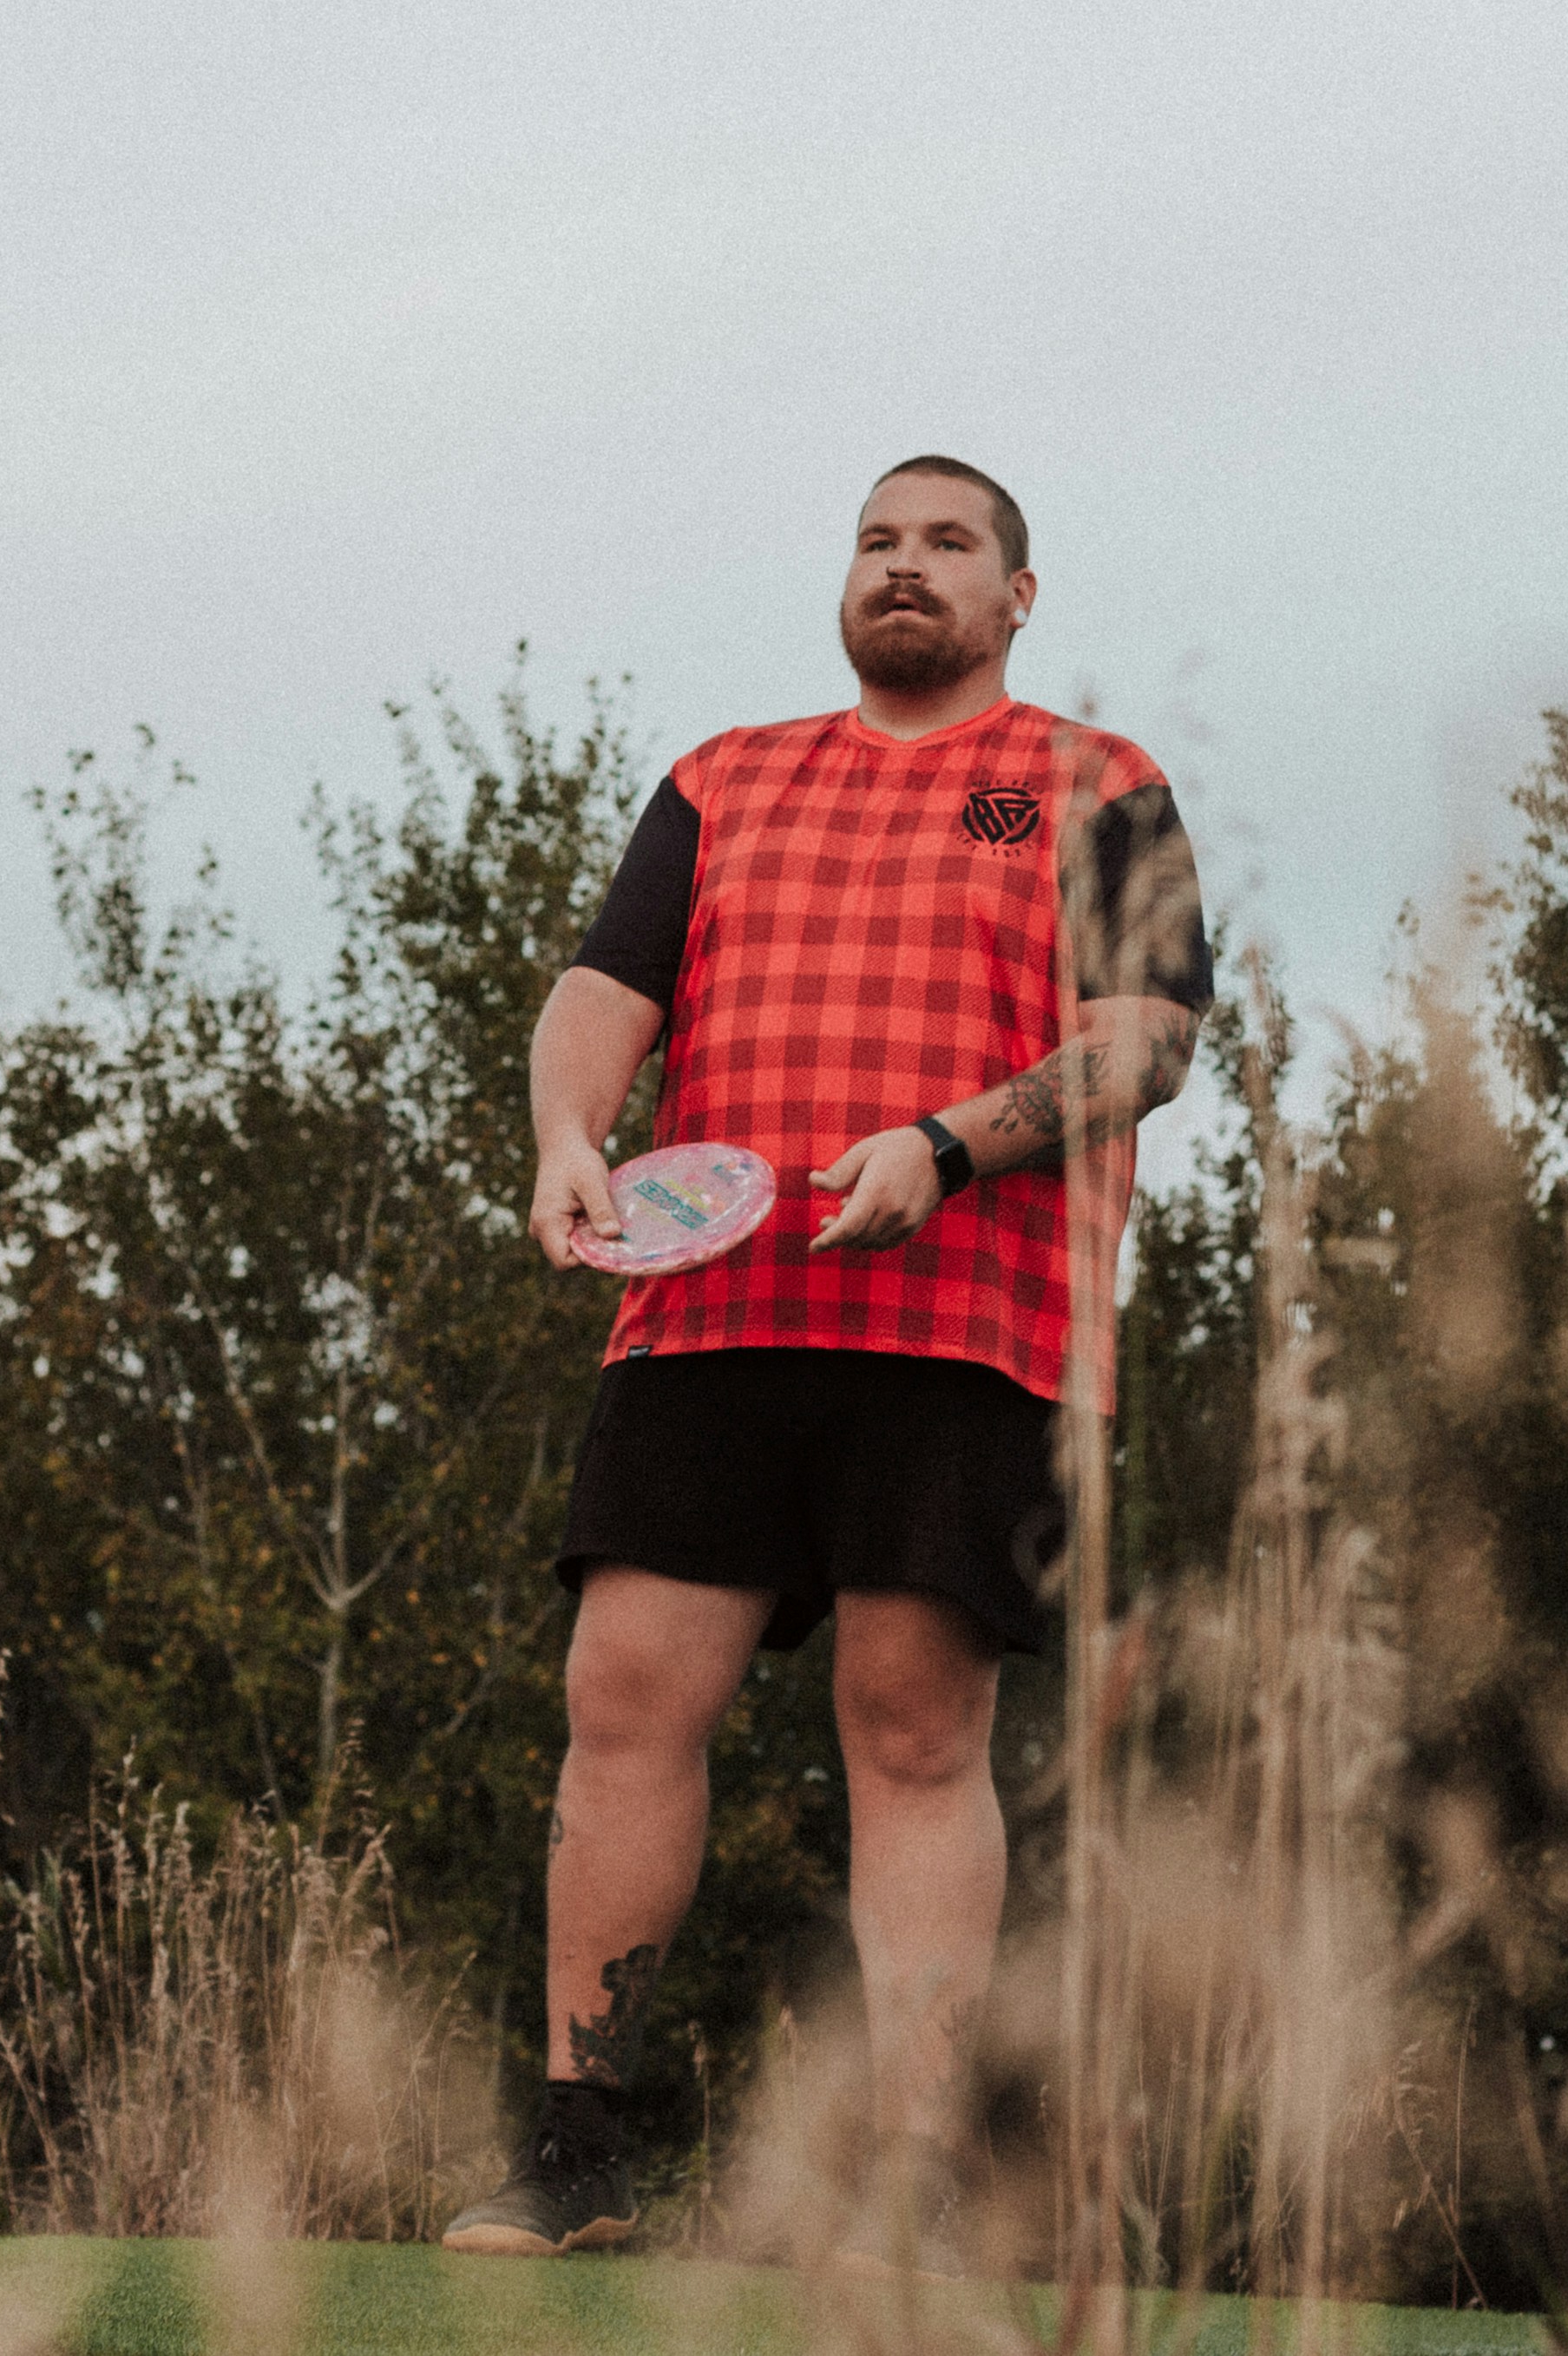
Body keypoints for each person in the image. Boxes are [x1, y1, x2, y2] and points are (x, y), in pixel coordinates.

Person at [442, 456, 1212, 2267]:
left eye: (947, 542)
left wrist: (942, 1148)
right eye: (876, 539)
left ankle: (925, 2186)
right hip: (706, 1309)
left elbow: (1151, 1040)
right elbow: (598, 992)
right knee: (624, 1697)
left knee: (914, 1730)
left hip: (971, 1320)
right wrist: (568, 1132)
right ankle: (579, 2148)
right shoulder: (724, 775)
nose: (902, 566)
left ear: (1015, 594)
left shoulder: (1102, 783)